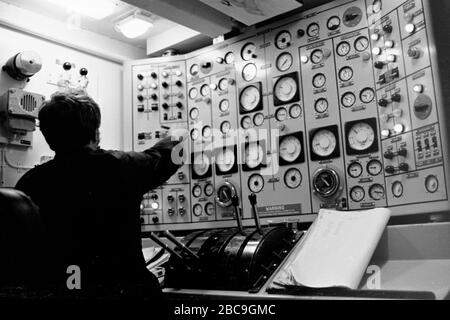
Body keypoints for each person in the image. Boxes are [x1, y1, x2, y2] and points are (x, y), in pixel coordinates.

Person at [15, 92, 185, 303]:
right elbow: (169, 156)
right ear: (95, 132)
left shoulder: (29, 183)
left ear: (49, 138)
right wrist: (180, 133)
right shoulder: (121, 166)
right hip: (129, 295)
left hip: (69, 292)